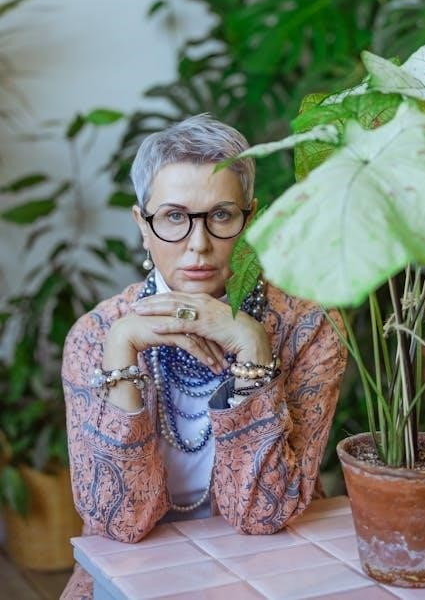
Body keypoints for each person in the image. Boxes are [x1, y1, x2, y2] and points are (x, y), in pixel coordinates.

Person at [60, 114, 347, 599]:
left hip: (272, 568)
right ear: (143, 226)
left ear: (250, 219)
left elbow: (263, 515)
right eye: (174, 217)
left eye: (221, 215)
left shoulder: (309, 327)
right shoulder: (96, 336)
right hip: (129, 577)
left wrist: (253, 347)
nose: (199, 245)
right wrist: (121, 355)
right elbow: (119, 523)